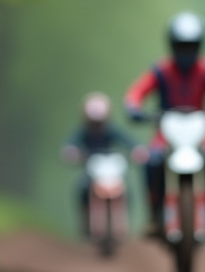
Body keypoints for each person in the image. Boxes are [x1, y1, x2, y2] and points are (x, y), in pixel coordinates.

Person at [124, 12, 205, 236]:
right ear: (172, 45)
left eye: (191, 46)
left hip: (200, 132)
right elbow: (137, 92)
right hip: (166, 134)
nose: (186, 52)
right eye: (181, 46)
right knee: (151, 160)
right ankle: (154, 216)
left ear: (199, 46)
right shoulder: (161, 70)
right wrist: (133, 107)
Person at [60, 92, 143, 239]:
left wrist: (136, 150)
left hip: (111, 169)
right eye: (94, 122)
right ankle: (86, 219)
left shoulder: (111, 130)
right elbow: (71, 144)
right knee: (83, 187)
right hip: (93, 172)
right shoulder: (83, 132)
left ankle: (123, 217)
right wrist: (72, 152)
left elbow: (128, 141)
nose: (97, 125)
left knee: (127, 189)